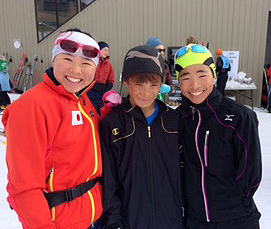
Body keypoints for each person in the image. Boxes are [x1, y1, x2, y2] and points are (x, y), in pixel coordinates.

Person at [3, 29, 104, 228]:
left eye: (86, 63)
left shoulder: (81, 100)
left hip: (90, 217)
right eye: (67, 59)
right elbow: (24, 186)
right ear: (53, 60)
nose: (76, 70)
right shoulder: (33, 105)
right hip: (59, 221)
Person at [175, 44, 262, 229]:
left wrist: (238, 204)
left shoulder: (239, 116)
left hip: (235, 218)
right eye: (186, 77)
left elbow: (251, 171)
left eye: (202, 74)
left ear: (214, 75)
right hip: (194, 219)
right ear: (178, 81)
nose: (195, 85)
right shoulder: (179, 118)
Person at [100, 45, 184, 229]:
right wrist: (114, 223)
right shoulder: (113, 124)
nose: (146, 92)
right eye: (139, 83)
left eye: (154, 84)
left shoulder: (173, 121)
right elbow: (108, 181)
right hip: (130, 221)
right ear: (127, 81)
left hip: (171, 220)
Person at [87, 41, 115, 114]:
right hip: (91, 91)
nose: (107, 53)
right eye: (105, 50)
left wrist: (107, 87)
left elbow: (111, 79)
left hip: (102, 93)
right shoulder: (92, 63)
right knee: (91, 111)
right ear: (99, 50)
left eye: (108, 51)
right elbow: (87, 75)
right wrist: (94, 85)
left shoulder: (109, 66)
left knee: (102, 112)